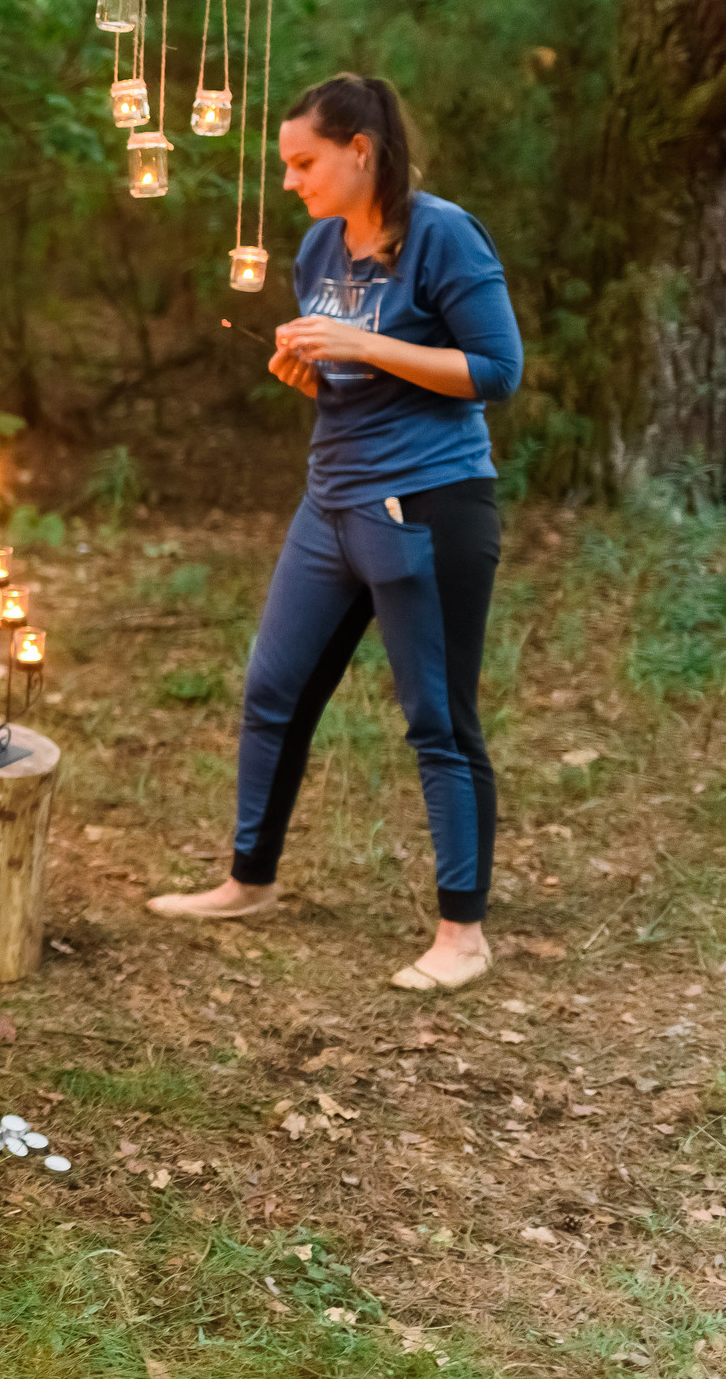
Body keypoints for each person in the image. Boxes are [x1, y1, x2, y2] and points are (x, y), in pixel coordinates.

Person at [150, 73, 523, 993]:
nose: (290, 180)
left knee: (439, 719)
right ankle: (249, 879)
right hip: (332, 503)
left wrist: (364, 346)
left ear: (362, 150)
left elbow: (497, 368)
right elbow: (353, 380)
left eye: (304, 161)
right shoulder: (320, 246)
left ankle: (462, 932)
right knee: (273, 689)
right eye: (285, 164)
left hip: (430, 506)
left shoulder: (441, 234)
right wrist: (315, 371)